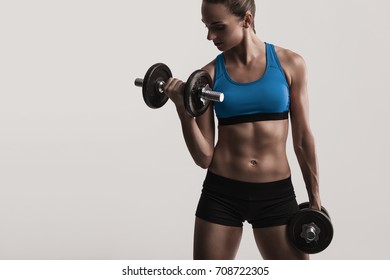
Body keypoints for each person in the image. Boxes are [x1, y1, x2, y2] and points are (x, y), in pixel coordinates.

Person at [164, 0, 321, 260]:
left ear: (246, 21)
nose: (210, 36)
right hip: (221, 194)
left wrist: (314, 197)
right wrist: (184, 111)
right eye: (206, 27)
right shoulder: (208, 77)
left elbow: (302, 140)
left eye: (218, 27)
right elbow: (204, 158)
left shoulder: (290, 64)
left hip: (276, 196)